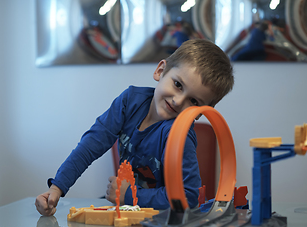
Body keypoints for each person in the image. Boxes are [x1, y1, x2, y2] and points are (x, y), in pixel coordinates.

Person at [35, 39, 234, 216]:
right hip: (127, 214)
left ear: (201, 112)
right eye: (178, 84)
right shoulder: (129, 101)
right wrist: (57, 187)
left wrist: (129, 195)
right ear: (160, 71)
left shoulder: (179, 134)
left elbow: (188, 197)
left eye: (193, 100)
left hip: (161, 223)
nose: (178, 100)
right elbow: (91, 144)